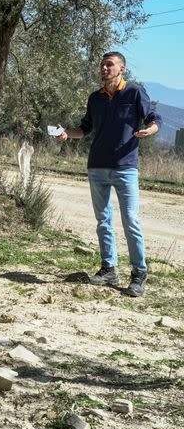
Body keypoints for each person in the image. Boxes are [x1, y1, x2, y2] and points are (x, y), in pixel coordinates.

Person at [55, 51, 161, 297]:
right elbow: (85, 128)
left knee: (131, 221)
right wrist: (66, 134)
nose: (104, 68)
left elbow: (153, 117)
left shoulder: (134, 92)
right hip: (97, 167)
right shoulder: (95, 98)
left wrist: (151, 130)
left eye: (109, 65)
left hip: (126, 168)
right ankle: (108, 269)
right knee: (103, 221)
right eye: (102, 64)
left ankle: (139, 273)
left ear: (121, 69)